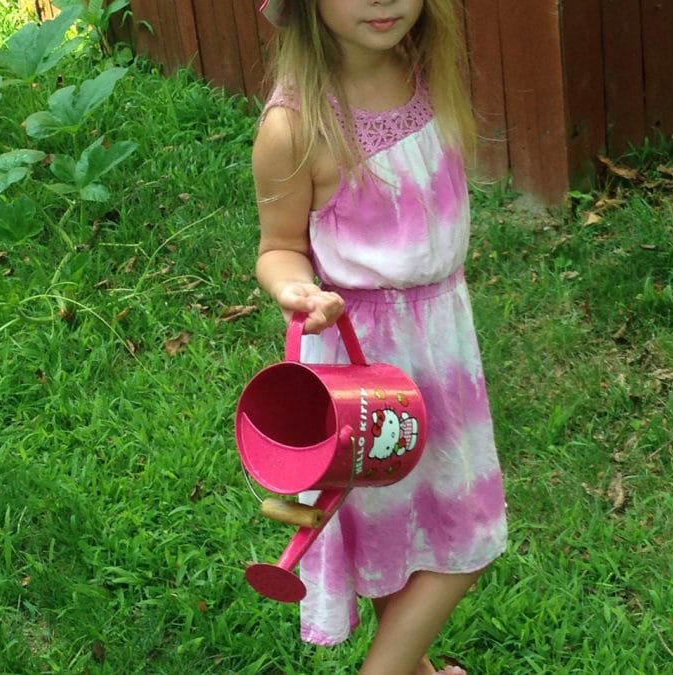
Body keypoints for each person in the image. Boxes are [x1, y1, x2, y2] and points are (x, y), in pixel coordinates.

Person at [251, 1, 508, 673]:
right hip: (364, 366)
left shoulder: (425, 73)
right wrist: (295, 287)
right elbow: (277, 246)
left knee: (404, 532)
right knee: (473, 529)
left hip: (441, 347)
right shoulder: (296, 125)